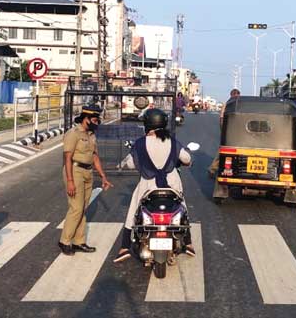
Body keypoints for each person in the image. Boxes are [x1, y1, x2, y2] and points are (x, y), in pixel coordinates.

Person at [114, 108, 195, 262]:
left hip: (148, 185)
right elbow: (186, 159)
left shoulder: (140, 143)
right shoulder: (172, 141)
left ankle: (124, 247)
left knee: (134, 209)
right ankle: (189, 243)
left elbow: (131, 164)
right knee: (182, 207)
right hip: (171, 184)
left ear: (147, 124)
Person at [60, 105, 113, 256]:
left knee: (82, 208)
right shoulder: (73, 134)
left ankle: (79, 242)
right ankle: (64, 241)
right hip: (74, 171)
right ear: (86, 119)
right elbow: (67, 158)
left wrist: (103, 176)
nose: (97, 123)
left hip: (88, 172)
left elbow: (95, 156)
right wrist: (70, 180)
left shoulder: (91, 135)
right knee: (76, 208)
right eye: (95, 120)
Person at [208, 88, 241, 177]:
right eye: (236, 95)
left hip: (233, 130)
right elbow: (222, 120)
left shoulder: (233, 104)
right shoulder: (229, 104)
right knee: (225, 148)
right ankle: (213, 168)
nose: (237, 97)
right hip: (229, 130)